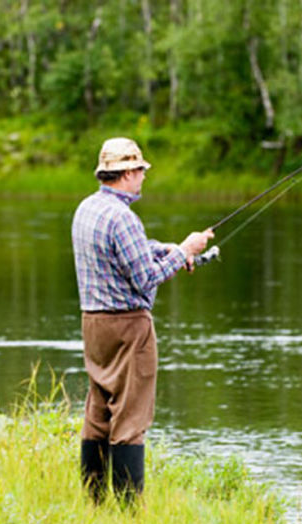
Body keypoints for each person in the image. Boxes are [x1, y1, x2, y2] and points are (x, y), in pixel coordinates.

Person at [71, 137, 213, 504]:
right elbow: (146, 278)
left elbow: (123, 253)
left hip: (94, 326)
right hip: (129, 329)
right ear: (126, 173)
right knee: (131, 422)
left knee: (98, 413)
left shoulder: (87, 208)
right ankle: (128, 512)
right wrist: (185, 250)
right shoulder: (124, 217)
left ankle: (94, 502)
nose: (143, 178)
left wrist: (163, 248)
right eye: (140, 171)